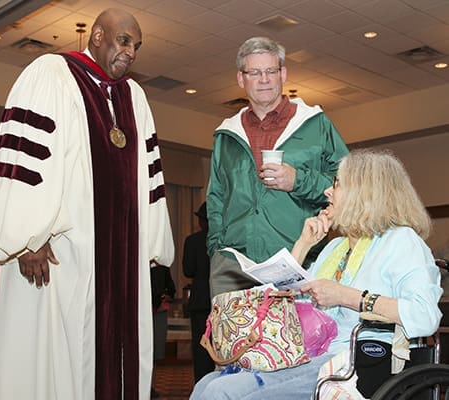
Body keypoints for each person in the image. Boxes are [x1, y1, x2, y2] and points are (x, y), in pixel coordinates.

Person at [0, 8, 174, 400]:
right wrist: (27, 239)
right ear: (97, 36)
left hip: (119, 259)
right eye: (124, 40)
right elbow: (24, 161)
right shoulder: (51, 73)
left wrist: (148, 246)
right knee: (54, 361)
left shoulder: (135, 97)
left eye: (137, 46)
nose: (131, 52)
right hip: (60, 252)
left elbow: (150, 179)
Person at [191, 149, 442, 400]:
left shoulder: (402, 241)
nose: (327, 192)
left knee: (221, 391)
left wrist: (346, 296)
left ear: (364, 194)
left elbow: (425, 316)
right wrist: (303, 246)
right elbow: (284, 304)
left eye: (337, 184)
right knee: (208, 382)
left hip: (358, 363)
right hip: (313, 355)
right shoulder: (335, 247)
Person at [207, 36, 348, 298]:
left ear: (282, 74)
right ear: (241, 79)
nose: (264, 79)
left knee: (298, 327)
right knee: (230, 328)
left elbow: (349, 187)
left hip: (299, 261)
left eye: (271, 71)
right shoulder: (226, 135)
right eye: (254, 72)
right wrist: (217, 250)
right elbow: (216, 197)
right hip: (233, 266)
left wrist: (299, 181)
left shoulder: (316, 125)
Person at [182, 202, 216, 382]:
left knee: (201, 348)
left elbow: (188, 271)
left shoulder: (192, 241)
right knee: (221, 346)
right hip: (220, 299)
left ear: (203, 221)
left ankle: (201, 386)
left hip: (200, 300)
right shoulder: (225, 240)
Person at [150, 263, 176, 398]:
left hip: (157, 312)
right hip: (139, 312)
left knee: (154, 352)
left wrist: (166, 296)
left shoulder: (162, 267)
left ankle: (150, 386)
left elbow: (171, 288)